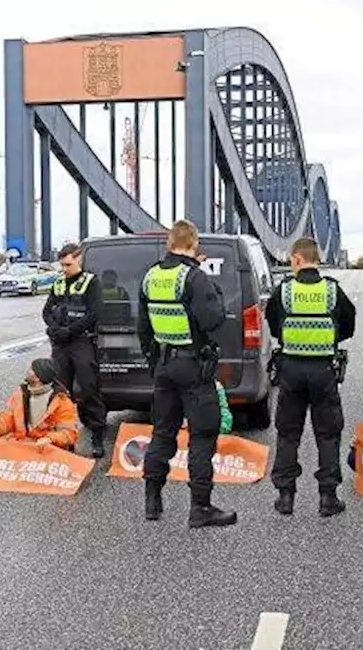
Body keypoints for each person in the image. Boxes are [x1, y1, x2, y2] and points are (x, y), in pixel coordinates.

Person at [138, 219, 236, 528]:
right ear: (194, 245)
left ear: (169, 244)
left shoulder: (151, 276)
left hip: (164, 365)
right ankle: (201, 509)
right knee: (202, 435)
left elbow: (143, 326)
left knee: (162, 433)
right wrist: (206, 279)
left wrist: (155, 361)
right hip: (193, 366)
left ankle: (152, 502)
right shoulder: (194, 277)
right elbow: (213, 320)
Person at [266, 237, 357, 517]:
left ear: (296, 259)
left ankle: (285, 497)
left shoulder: (284, 291)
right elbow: (348, 324)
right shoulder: (332, 290)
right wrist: (325, 339)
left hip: (291, 369)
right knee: (328, 434)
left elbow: (273, 323)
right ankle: (328, 498)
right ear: (316, 258)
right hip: (323, 370)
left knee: (288, 433)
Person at [43, 242, 108, 457]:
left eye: (68, 264)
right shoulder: (59, 283)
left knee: (89, 389)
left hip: (81, 341)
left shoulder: (91, 282)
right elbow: (47, 310)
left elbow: (94, 313)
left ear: (79, 259)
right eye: (62, 265)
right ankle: (64, 436)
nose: (64, 269)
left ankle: (97, 435)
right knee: (61, 391)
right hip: (61, 344)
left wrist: (70, 331)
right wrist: (54, 329)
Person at [0, 358, 79, 450]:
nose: (28, 370)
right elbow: (6, 418)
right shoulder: (20, 394)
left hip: (47, 449)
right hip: (24, 445)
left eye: (31, 369)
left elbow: (69, 433)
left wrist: (49, 439)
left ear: (38, 377)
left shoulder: (62, 402)